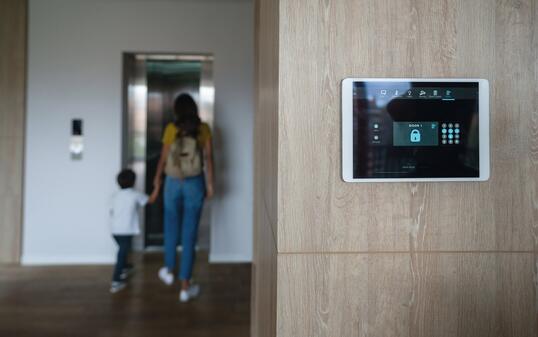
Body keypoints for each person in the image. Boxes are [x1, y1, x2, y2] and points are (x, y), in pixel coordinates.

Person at [152, 93, 214, 302]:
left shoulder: (172, 129)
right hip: (195, 183)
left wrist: (157, 181)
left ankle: (169, 270)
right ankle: (185, 286)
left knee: (171, 227)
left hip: (172, 182)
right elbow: (208, 158)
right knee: (189, 234)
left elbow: (163, 158)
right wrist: (210, 185)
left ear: (176, 110)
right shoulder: (203, 129)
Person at [109, 169, 159, 293]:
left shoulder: (114, 196)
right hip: (126, 230)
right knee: (122, 253)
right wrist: (157, 187)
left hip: (115, 230)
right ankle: (116, 281)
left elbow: (111, 212)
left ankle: (125, 267)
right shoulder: (135, 194)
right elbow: (151, 200)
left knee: (123, 249)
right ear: (133, 182)